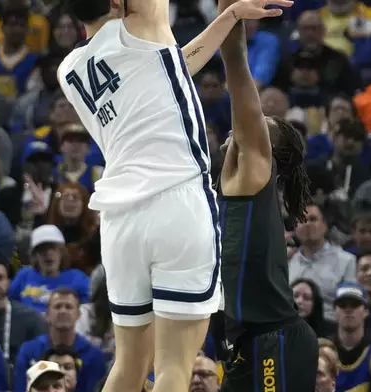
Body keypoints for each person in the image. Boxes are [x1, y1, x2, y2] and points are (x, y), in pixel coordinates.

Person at [59, 0, 293, 391]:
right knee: (173, 367)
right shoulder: (141, 26)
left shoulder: (69, 69)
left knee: (129, 366)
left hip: (119, 222)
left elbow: (171, 70)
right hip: (176, 205)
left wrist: (229, 18)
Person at [215, 0, 317, 389]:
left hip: (273, 339)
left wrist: (229, 10)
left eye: (259, 124)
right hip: (244, 340)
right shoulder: (223, 189)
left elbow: (237, 66)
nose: (243, 126)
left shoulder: (254, 174)